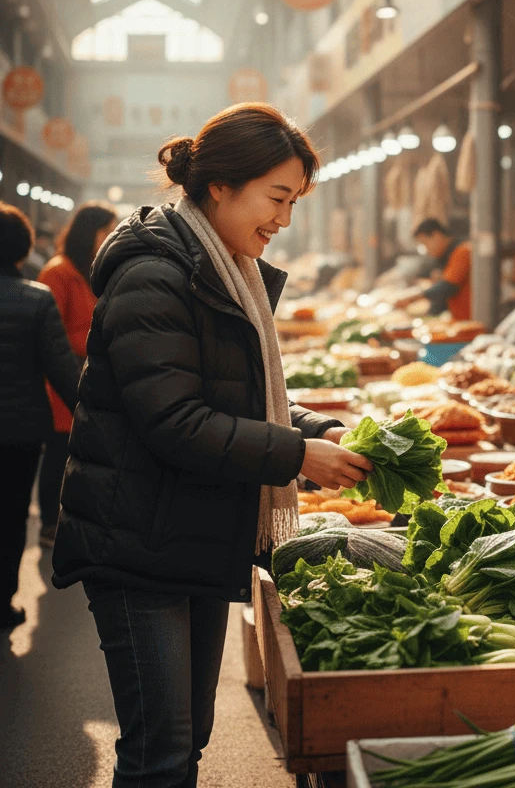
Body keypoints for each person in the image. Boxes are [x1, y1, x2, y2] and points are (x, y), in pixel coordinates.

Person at [51, 104, 375, 788]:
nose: (283, 220)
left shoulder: (220, 268)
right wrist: (295, 454)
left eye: (293, 203)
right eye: (277, 198)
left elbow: (239, 395)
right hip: (137, 540)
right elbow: (175, 420)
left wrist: (316, 430)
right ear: (221, 185)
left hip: (186, 531)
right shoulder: (156, 273)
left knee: (186, 739)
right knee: (160, 752)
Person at [0, 203, 80, 629]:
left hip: (22, 428)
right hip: (20, 431)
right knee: (12, 517)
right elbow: (62, 370)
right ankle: (2, 604)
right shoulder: (35, 299)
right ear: (22, 247)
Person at [36, 201, 118, 547]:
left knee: (77, 452)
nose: (111, 238)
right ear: (91, 233)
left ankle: (71, 521)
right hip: (60, 378)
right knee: (58, 452)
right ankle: (49, 526)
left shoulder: (90, 269)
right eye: (107, 231)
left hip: (85, 375)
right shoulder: (58, 272)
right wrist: (99, 340)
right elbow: (49, 333)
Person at [406, 218, 473, 320]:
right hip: (459, 319)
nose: (427, 250)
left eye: (425, 244)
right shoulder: (446, 256)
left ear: (436, 235)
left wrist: (415, 297)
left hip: (470, 320)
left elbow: (449, 286)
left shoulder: (462, 251)